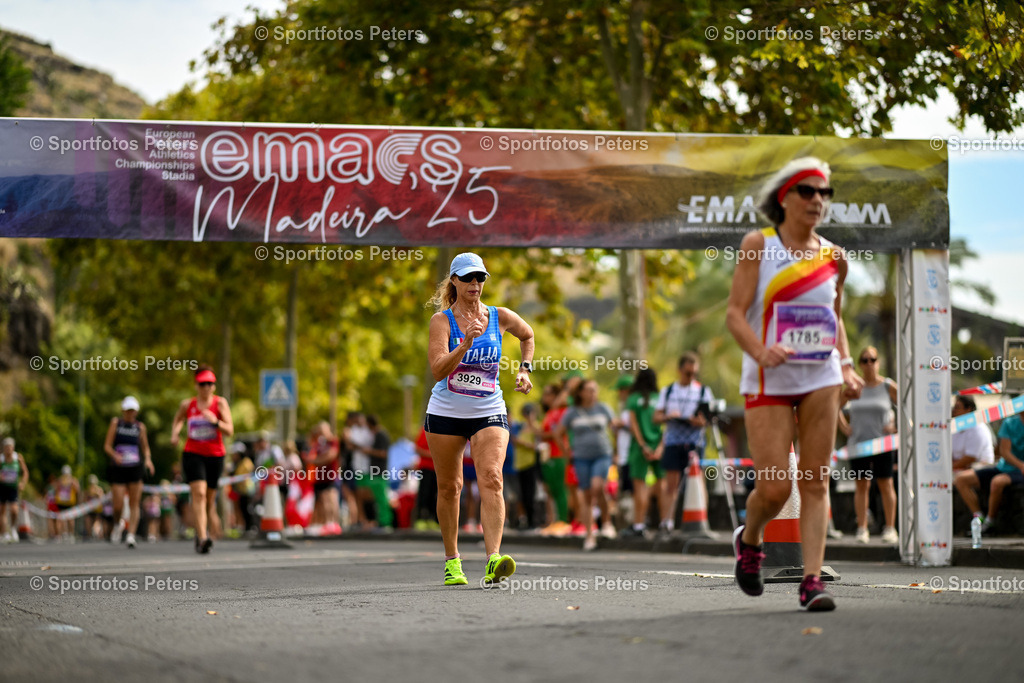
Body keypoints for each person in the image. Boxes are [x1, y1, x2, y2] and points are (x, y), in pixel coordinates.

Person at [725, 156, 863, 611]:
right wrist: (761, 351)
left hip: (821, 376)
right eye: (808, 191)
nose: (818, 201)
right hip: (768, 376)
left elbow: (834, 317)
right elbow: (735, 314)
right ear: (784, 197)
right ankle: (751, 540)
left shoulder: (834, 257)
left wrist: (845, 364)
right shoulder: (757, 245)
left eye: (825, 193)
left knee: (815, 480)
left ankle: (811, 581)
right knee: (775, 488)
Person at [424, 252, 534, 586]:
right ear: (454, 281)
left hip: (489, 409)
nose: (475, 284)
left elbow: (527, 336)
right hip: (445, 412)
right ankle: (452, 561)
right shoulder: (442, 322)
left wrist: (525, 369)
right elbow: (438, 368)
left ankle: (493, 558)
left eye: (481, 278)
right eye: (468, 278)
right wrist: (466, 343)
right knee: (450, 487)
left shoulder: (499, 316)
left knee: (492, 478)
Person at [837, 346, 899, 545]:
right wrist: (844, 427)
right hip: (859, 445)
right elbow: (834, 405)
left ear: (878, 361)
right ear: (860, 364)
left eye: (872, 359)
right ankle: (862, 528)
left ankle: (890, 528)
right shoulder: (855, 386)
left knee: (885, 484)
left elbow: (908, 406)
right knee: (862, 485)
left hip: (882, 443)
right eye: (864, 360)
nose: (869, 363)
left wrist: (896, 425)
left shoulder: (888, 386)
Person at [171, 365, 234, 554]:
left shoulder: (220, 403)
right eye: (202, 384)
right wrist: (175, 434)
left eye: (209, 384)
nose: (206, 387)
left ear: (214, 386)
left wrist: (215, 421)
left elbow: (230, 430)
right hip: (193, 453)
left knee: (209, 499)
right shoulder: (187, 404)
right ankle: (203, 537)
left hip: (215, 455)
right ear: (196, 385)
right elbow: (178, 420)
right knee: (198, 493)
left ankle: (201, 532)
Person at [653, 353, 711, 535]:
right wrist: (669, 416)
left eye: (694, 373)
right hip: (673, 441)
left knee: (697, 480)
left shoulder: (703, 391)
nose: (691, 376)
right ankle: (667, 521)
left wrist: (699, 421)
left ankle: (701, 520)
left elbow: (708, 418)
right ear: (679, 371)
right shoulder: (668, 391)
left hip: (695, 441)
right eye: (687, 373)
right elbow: (656, 416)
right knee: (671, 483)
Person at [557, 379, 618, 550]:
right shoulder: (572, 412)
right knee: (586, 494)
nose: (593, 393)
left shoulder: (603, 408)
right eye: (589, 390)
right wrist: (566, 452)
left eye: (595, 390)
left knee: (597, 487)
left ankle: (607, 523)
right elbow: (557, 433)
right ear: (581, 393)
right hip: (581, 457)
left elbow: (615, 429)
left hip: (602, 454)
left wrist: (617, 450)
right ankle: (590, 534)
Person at [954, 412, 1024, 535]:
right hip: (1006, 468)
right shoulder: (1010, 423)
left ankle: (989, 522)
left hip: (1017, 472)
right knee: (961, 479)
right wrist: (1020, 465)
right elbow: (1004, 451)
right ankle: (979, 517)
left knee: (997, 482)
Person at [103, 395, 155, 548]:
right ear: (123, 410)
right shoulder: (116, 423)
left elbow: (145, 448)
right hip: (118, 468)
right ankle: (118, 523)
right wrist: (115, 455)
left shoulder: (140, 427)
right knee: (118, 504)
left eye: (132, 410)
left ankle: (131, 535)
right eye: (127, 410)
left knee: (134, 503)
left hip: (135, 467)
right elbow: (107, 445)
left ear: (136, 412)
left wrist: (148, 460)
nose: (130, 413)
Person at [625, 368, 664, 537]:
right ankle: (665, 523)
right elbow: (665, 425)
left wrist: (642, 445)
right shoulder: (660, 398)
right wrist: (660, 447)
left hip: (639, 448)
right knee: (663, 486)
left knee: (639, 487)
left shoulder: (633, 399)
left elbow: (633, 425)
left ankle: (639, 524)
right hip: (659, 446)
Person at [539, 381, 572, 535]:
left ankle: (563, 521)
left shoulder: (564, 411)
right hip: (548, 455)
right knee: (551, 490)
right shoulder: (549, 413)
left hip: (559, 454)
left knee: (560, 489)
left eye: (548, 394)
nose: (545, 397)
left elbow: (556, 433)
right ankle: (554, 521)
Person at [358, 415, 394, 530]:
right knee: (377, 498)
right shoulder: (376, 435)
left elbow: (384, 453)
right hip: (375, 471)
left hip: (379, 471)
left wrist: (369, 451)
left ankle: (385, 522)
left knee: (382, 498)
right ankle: (381, 521)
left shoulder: (381, 435)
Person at [951, 395, 995, 472]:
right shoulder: (955, 427)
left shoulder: (978, 428)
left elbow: (970, 457)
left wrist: (949, 469)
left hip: (980, 469)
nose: (953, 410)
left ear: (968, 409)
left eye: (957, 407)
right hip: (960, 469)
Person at [0, 437, 29, 543]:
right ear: (3, 448)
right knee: (2, 511)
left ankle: (12, 528)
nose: (8, 449)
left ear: (13, 447)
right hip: (2, 487)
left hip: (13, 488)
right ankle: (3, 533)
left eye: (10, 447)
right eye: (6, 447)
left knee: (14, 510)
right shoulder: (1, 459)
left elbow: (25, 472)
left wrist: (22, 483)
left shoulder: (18, 458)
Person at [412, 426, 440, 530]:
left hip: (438, 469)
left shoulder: (443, 430)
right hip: (425, 468)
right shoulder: (424, 430)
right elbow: (416, 448)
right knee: (424, 494)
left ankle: (433, 520)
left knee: (436, 495)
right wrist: (432, 455)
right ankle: (420, 519)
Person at [53, 465, 81, 542]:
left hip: (70, 502)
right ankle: (59, 535)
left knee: (70, 519)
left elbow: (78, 490)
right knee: (60, 519)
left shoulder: (73, 480)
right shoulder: (60, 480)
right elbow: (55, 489)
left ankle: (70, 534)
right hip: (61, 502)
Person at [84, 474, 106, 540]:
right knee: (88, 520)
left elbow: (103, 499)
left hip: (97, 509)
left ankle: (96, 533)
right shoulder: (87, 490)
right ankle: (90, 535)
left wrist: (97, 494)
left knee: (97, 521)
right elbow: (84, 500)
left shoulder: (99, 489)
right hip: (90, 509)